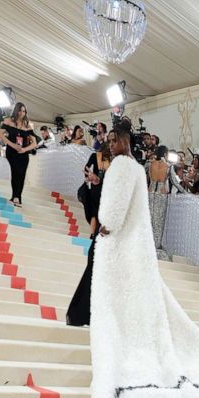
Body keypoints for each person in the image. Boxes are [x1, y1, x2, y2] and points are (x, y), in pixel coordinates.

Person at [67, 129, 127, 326]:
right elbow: (108, 193)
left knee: (100, 267)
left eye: (114, 141)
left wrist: (110, 224)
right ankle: (82, 314)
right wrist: (97, 181)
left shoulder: (126, 167)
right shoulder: (108, 162)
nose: (110, 145)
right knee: (94, 264)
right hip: (104, 223)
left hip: (114, 228)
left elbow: (122, 199)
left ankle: (84, 314)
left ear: (124, 142)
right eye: (109, 141)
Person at [0, 102, 36, 207]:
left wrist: (24, 149)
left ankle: (17, 197)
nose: (22, 113)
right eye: (20, 111)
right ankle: (15, 197)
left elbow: (34, 143)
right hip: (12, 151)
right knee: (15, 172)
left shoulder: (28, 125)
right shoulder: (8, 121)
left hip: (23, 153)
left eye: (24, 111)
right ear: (16, 111)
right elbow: (1, 134)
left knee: (22, 174)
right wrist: (11, 145)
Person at [146, 145, 170, 257]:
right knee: (159, 221)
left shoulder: (150, 164)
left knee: (148, 218)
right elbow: (175, 182)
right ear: (165, 154)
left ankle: (146, 243)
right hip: (162, 194)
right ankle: (155, 246)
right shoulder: (168, 166)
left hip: (150, 192)